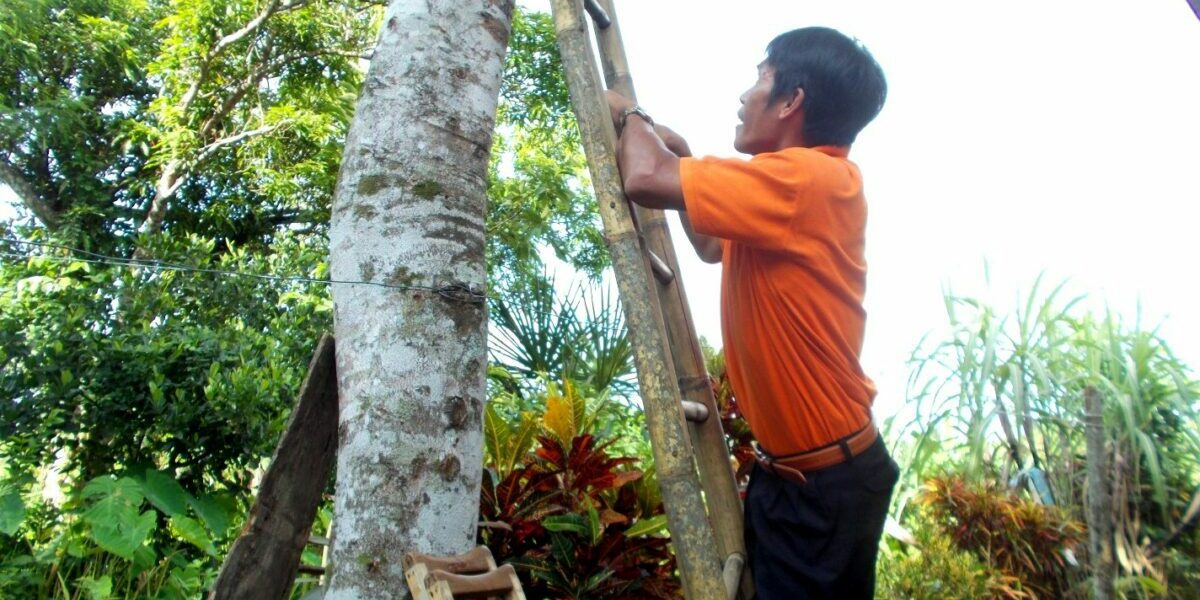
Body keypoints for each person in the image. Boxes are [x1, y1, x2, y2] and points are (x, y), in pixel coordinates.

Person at [605, 26, 896, 599]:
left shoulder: (808, 179)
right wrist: (683, 156)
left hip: (825, 486)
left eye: (760, 77)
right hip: (790, 476)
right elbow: (712, 246)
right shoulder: (784, 189)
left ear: (791, 101)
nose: (744, 95)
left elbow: (643, 178)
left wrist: (629, 114)